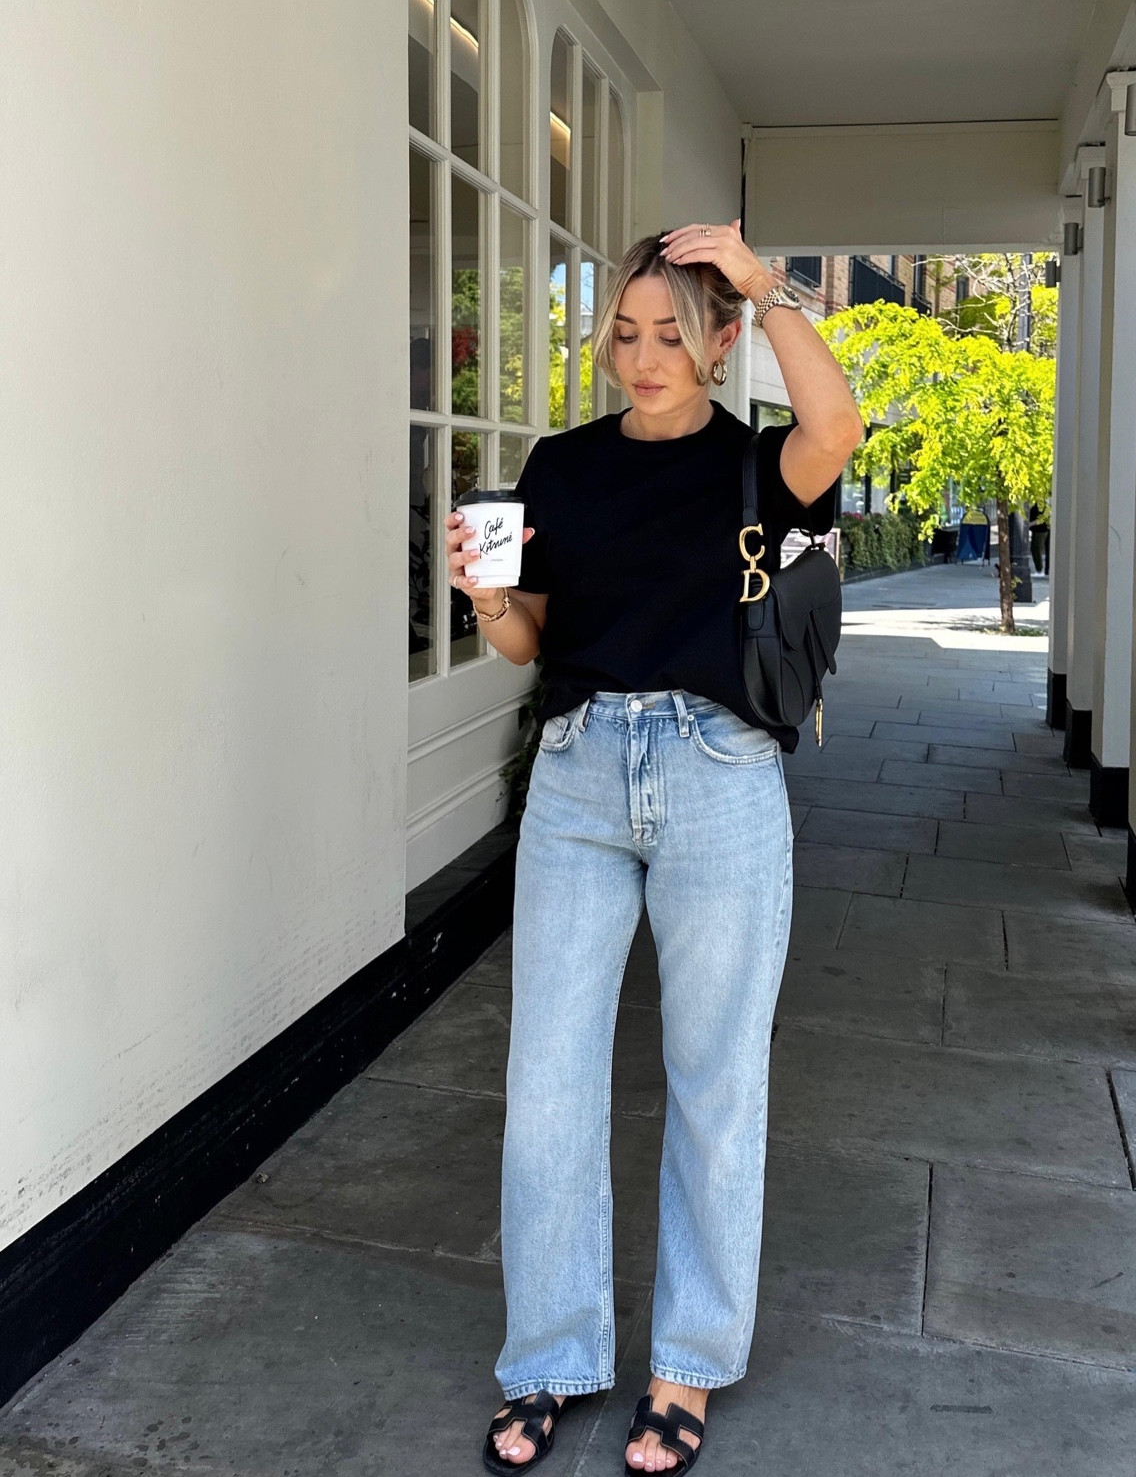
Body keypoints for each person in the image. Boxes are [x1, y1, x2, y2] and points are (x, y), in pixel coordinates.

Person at [444, 224, 863, 1474]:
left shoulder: (757, 461)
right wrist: (486, 601)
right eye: (625, 332)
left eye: (672, 331)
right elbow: (532, 642)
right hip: (577, 773)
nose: (643, 355)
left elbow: (836, 426)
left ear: (721, 340)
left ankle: (684, 1363)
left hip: (717, 770)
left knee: (714, 1080)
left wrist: (761, 280)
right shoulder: (560, 468)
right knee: (548, 1083)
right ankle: (551, 1357)